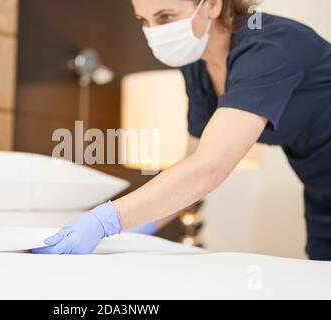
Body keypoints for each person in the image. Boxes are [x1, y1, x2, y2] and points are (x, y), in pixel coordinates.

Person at [33, 0, 331, 260]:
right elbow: (193, 162)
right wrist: (142, 226)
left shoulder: (269, 48)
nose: (153, 32)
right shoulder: (197, 65)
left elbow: (210, 167)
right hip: (320, 187)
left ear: (213, 4)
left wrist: (106, 219)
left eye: (165, 17)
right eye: (144, 21)